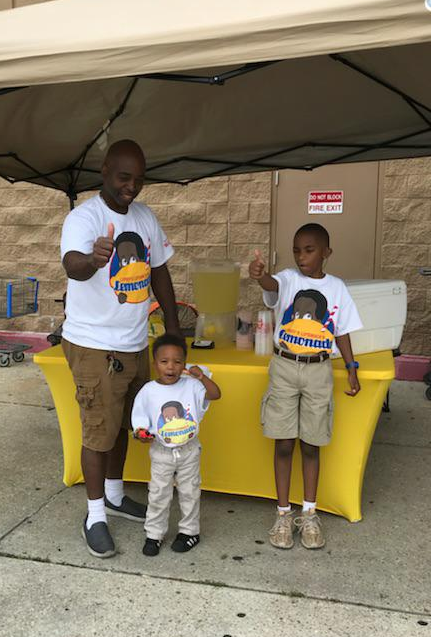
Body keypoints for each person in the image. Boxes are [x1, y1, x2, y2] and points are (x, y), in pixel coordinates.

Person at [60, 139, 181, 559]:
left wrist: (174, 329)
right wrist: (93, 259)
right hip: (93, 342)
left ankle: (114, 495)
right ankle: (95, 516)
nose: (132, 187)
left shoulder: (146, 217)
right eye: (124, 177)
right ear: (105, 171)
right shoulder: (84, 217)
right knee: (98, 430)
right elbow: (71, 266)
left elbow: (160, 274)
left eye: (139, 179)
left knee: (125, 424)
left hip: (134, 342)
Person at [249, 223, 362, 550]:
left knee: (311, 444)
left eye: (309, 250)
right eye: (297, 249)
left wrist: (352, 367)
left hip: (319, 370)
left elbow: (341, 331)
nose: (302, 256)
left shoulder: (337, 288)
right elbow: (272, 284)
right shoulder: (287, 279)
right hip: (284, 367)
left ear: (326, 252)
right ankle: (283, 514)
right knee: (284, 443)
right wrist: (260, 275)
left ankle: (309, 513)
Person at [131, 333, 221, 557]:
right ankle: (154, 534)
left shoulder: (192, 385)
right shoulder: (148, 391)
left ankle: (190, 532)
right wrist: (141, 434)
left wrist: (201, 377)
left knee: (190, 492)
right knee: (159, 493)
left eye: (177, 361)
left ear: (185, 363)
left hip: (189, 450)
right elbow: (140, 422)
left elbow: (215, 394)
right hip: (162, 452)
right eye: (164, 361)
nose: (171, 367)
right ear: (155, 364)